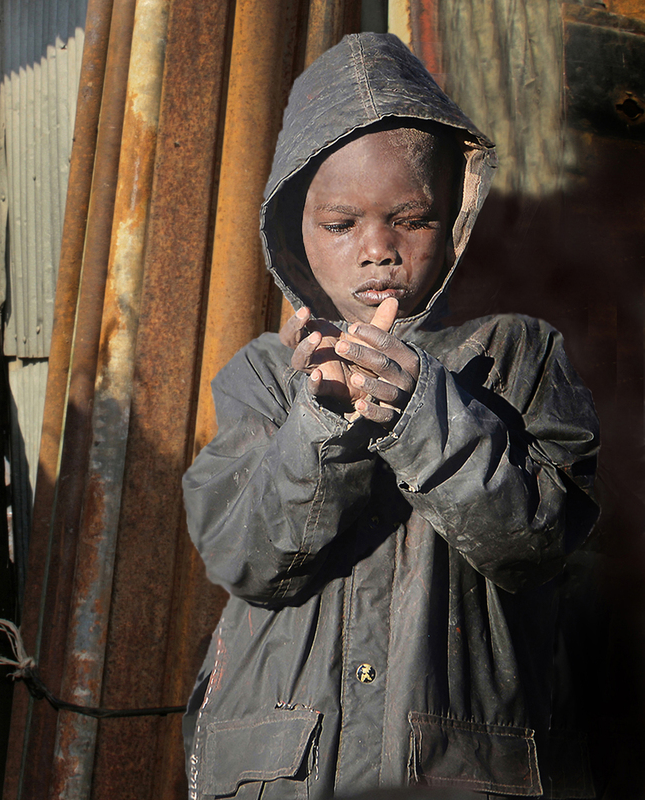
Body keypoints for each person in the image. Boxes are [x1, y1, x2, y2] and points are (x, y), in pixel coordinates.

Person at [181, 33, 600, 799]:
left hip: (458, 768)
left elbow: (534, 544)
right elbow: (241, 558)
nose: (377, 251)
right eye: (340, 225)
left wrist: (422, 416)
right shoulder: (263, 379)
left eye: (411, 219)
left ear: (456, 219)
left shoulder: (515, 355)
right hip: (284, 772)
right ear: (294, 238)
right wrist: (318, 430)